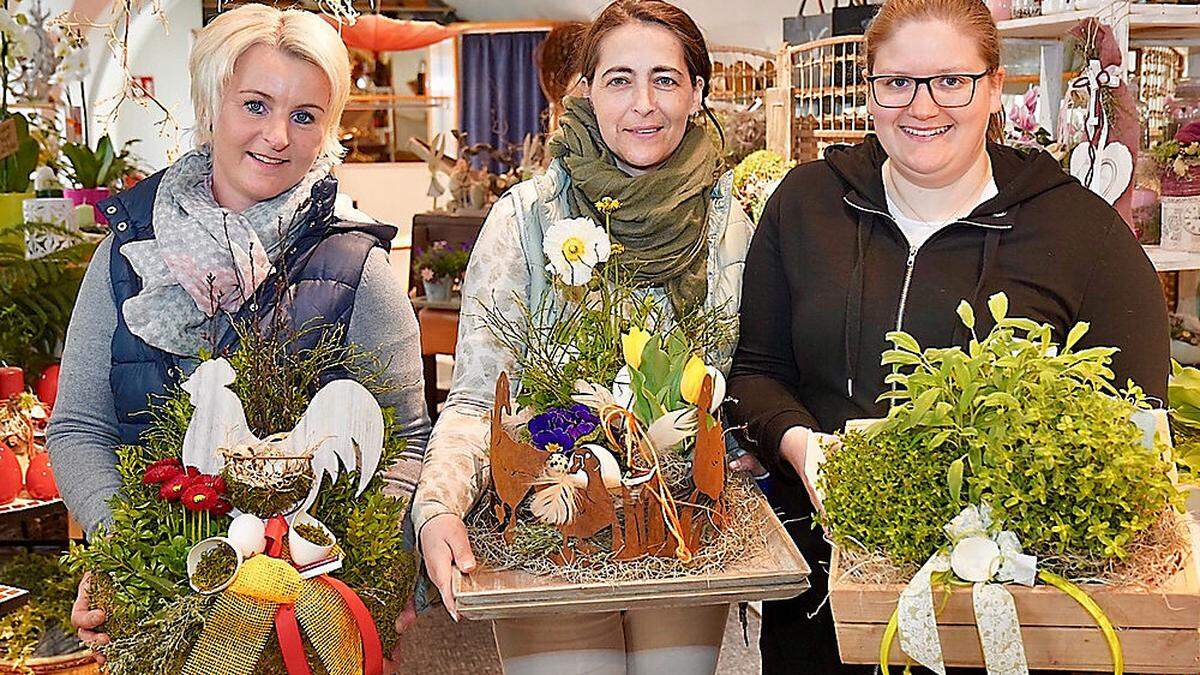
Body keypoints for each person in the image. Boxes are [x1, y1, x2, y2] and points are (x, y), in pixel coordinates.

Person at [725, 0, 1169, 672]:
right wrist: (804, 447)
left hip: (1007, 609)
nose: (921, 107)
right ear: (868, 88)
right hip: (825, 591)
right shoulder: (807, 203)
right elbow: (757, 369)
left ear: (994, 85)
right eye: (896, 81)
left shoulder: (1079, 234)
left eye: (950, 80)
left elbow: (1134, 422)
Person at [46, 3, 429, 663]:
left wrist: (359, 567)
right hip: (156, 613)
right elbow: (79, 426)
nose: (277, 134)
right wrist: (130, 553)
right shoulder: (126, 252)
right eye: (256, 104)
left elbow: (409, 440)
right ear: (210, 103)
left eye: (304, 115)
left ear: (326, 132)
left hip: (307, 622)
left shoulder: (357, 267)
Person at [409, 1, 755, 672]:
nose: (643, 103)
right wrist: (437, 505)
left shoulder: (727, 225)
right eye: (620, 78)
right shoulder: (527, 221)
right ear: (586, 91)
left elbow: (735, 386)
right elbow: (480, 401)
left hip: (677, 529)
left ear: (697, 92)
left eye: (665, 78)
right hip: (549, 525)